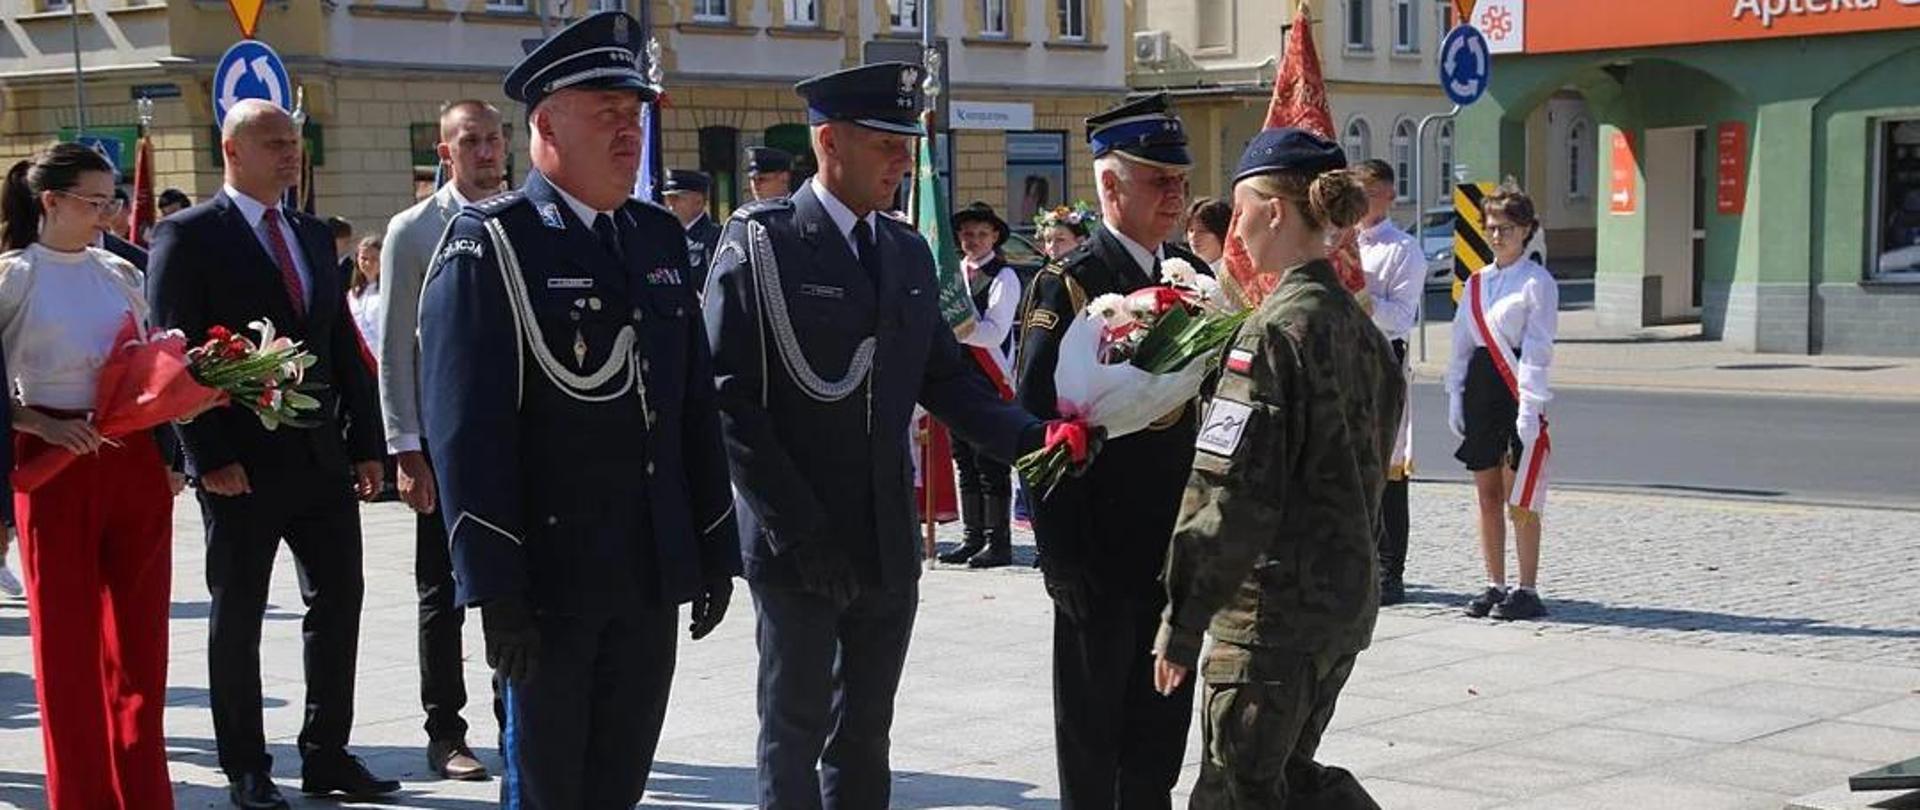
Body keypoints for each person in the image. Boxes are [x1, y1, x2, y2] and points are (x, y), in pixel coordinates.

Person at [705, 61, 1087, 810]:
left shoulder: (906, 252)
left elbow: (945, 378)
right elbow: (729, 402)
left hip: (883, 535)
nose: (903, 161)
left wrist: (1031, 438)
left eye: (905, 143)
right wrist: (797, 529)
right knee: (794, 729)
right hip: (798, 541)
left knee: (866, 733)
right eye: (884, 144)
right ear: (829, 143)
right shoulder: (761, 244)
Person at [417, 12, 739, 806]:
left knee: (619, 781)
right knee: (552, 787)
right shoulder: (493, 244)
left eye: (634, 117)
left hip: (646, 568)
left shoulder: (657, 237)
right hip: (549, 582)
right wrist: (493, 588)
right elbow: (468, 433)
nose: (629, 135)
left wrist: (709, 543)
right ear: (547, 123)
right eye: (607, 116)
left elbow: (691, 402)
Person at [146, 97, 396, 809]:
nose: (292, 154)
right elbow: (173, 354)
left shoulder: (314, 235)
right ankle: (246, 767)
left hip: (319, 460)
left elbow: (340, 345)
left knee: (339, 602)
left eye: (295, 142)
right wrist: (205, 454)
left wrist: (365, 444)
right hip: (239, 470)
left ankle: (326, 753)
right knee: (240, 614)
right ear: (233, 151)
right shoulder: (187, 235)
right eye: (276, 143)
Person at [1150, 126, 1400, 810]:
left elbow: (1230, 491)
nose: (1234, 230)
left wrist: (1183, 617)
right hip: (1337, 612)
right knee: (1284, 776)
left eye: (1238, 211)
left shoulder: (1270, 336)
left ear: (1272, 211)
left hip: (1268, 618)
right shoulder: (1363, 334)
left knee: (1237, 791)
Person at [1016, 93, 1205, 810]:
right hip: (1097, 551)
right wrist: (1061, 557)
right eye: (1158, 180)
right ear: (1110, 186)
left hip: (1169, 549)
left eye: (1180, 181)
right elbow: (1034, 425)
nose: (1175, 195)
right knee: (1094, 745)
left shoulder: (1189, 278)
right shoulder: (1069, 284)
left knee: (1159, 742)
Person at [0, 143, 185, 809]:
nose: (109, 211)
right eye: (95, 199)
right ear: (50, 202)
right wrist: (40, 426)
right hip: (56, 467)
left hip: (129, 461)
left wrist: (170, 444)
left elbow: (147, 359)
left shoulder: (118, 271)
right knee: (67, 653)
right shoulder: (14, 276)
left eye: (112, 198)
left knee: (142, 646)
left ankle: (145, 795)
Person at [377, 97, 507, 783]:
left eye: (493, 139)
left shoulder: (523, 216)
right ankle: (445, 730)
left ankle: (513, 716)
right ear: (444, 149)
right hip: (440, 442)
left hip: (511, 440)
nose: (485, 153)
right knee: (443, 593)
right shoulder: (414, 230)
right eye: (470, 141)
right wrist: (406, 446)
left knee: (511, 584)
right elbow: (397, 346)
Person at [1445, 180, 1557, 622]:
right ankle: (1494, 582)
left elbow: (1538, 347)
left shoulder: (1537, 281)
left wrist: (1530, 405)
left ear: (1526, 230)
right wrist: (1454, 392)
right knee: (1487, 493)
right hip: (1480, 386)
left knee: (1519, 494)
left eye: (1507, 228)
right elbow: (1459, 343)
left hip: (1516, 388)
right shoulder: (1476, 282)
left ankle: (1526, 588)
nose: (1497, 235)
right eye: (1491, 227)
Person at [1352, 159, 1422, 606]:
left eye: (1370, 191)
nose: (1362, 200)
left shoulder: (1402, 249)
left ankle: (1390, 570)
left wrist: (1364, 301)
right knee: (1353, 470)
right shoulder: (1339, 243)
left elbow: (1401, 316)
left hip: (1382, 359)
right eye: (1356, 191)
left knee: (1390, 471)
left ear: (1388, 196)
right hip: (1343, 358)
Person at [937, 201, 1022, 569]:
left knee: (990, 461)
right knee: (964, 460)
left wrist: (954, 327)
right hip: (956, 374)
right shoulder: (951, 274)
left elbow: (994, 333)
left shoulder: (1005, 277)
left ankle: (997, 542)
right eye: (967, 234)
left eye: (981, 234)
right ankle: (972, 537)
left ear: (995, 237)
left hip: (989, 378)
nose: (973, 240)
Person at [664, 168, 721, 289]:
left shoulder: (715, 237)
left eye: (676, 198)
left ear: (699, 201)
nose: (670, 204)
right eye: (668, 198)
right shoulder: (667, 236)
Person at [347, 235, 382, 355]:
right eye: (364, 258)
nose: (368, 263)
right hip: (357, 359)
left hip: (380, 358)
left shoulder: (390, 291)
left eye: (374, 258)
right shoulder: (352, 294)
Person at [1184, 197, 1232, 274]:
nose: (1194, 237)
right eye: (1191, 230)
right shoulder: (1186, 272)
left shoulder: (1235, 275)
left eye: (1202, 231)